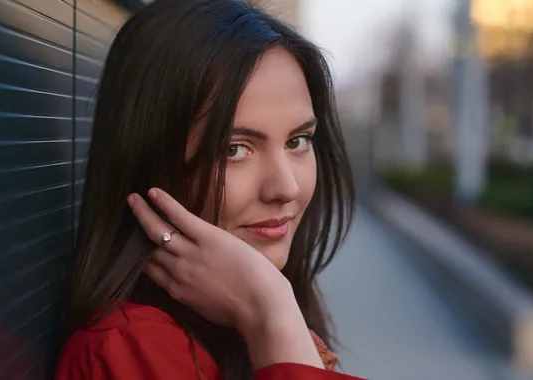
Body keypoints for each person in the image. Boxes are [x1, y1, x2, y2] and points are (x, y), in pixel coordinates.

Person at [54, 0, 362, 379]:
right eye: (234, 149)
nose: (286, 187)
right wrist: (273, 315)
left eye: (298, 141)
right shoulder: (129, 350)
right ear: (151, 162)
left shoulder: (258, 311)